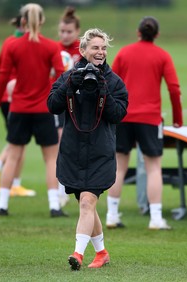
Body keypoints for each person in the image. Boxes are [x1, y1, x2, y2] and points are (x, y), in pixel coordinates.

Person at [47, 28, 128, 270]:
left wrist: (103, 90)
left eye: (104, 48)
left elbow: (118, 114)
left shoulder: (114, 81)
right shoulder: (69, 76)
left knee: (87, 203)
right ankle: (101, 252)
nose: (101, 52)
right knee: (86, 205)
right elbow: (52, 105)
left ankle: (77, 254)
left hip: (100, 152)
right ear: (83, 51)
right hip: (73, 152)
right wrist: (70, 84)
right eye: (95, 47)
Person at [0, 3, 66, 217]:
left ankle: (2, 205)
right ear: (41, 21)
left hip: (19, 108)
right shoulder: (51, 47)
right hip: (44, 110)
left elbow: (3, 78)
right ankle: (54, 206)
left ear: (22, 21)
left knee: (13, 156)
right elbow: (61, 76)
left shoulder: (13, 46)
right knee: (50, 158)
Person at [109, 16, 183, 230]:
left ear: (137, 32)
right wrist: (178, 118)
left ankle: (112, 215)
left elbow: (111, 84)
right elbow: (174, 88)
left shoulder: (124, 52)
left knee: (119, 167)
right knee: (153, 168)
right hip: (150, 119)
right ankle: (155, 218)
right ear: (156, 35)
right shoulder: (162, 55)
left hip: (123, 117)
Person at [0, 15, 36, 197]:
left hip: (7, 98)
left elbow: (0, 69)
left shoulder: (8, 41)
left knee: (16, 141)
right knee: (18, 143)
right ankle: (12, 182)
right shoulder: (22, 43)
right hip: (18, 97)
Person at [54, 6, 82, 207]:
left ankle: (79, 185)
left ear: (77, 32)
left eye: (69, 31)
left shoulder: (83, 49)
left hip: (80, 103)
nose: (65, 35)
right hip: (61, 101)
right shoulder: (53, 49)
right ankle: (61, 189)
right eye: (62, 31)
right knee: (62, 144)